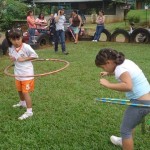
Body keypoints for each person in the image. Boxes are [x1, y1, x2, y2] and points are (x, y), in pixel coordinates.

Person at [95, 48, 150, 150]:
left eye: (103, 67)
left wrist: (108, 84)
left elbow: (128, 86)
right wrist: (108, 73)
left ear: (108, 62)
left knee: (125, 130)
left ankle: (125, 141)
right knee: (131, 123)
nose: (104, 69)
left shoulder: (120, 69)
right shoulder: (124, 62)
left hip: (140, 102)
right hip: (146, 98)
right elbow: (124, 73)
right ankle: (123, 141)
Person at [6, 28, 38, 120]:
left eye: (18, 39)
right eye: (13, 39)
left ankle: (29, 111)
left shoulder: (26, 47)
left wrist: (24, 59)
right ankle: (22, 103)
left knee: (25, 92)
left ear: (21, 37)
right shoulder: (11, 48)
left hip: (27, 74)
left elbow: (35, 56)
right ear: (10, 39)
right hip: (18, 73)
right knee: (19, 90)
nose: (16, 42)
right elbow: (13, 57)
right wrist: (12, 58)